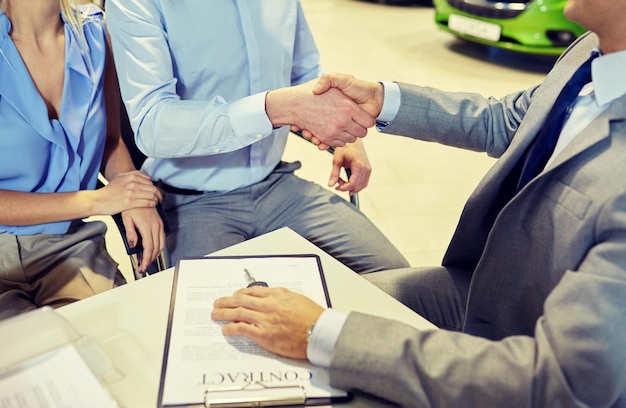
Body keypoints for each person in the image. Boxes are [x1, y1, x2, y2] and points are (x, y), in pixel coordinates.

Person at [211, 0, 626, 405]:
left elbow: (560, 384)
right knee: (318, 304)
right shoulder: (591, 50)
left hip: (529, 349)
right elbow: (508, 120)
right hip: (485, 289)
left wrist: (319, 335)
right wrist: (383, 99)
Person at [104, 0, 409, 274]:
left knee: (397, 280)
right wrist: (272, 109)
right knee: (216, 327)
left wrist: (345, 135)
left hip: (277, 184)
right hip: (192, 204)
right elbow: (153, 125)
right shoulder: (137, 3)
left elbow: (304, 73)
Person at [0, 0, 165, 320]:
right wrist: (95, 201)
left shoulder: (94, 33)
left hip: (69, 245)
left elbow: (110, 142)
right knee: (26, 365)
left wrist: (132, 192)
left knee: (122, 348)